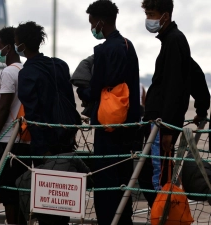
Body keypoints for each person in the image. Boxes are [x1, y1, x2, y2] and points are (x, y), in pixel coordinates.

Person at [77, 1, 141, 224]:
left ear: (100, 22)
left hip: (107, 127)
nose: (92, 27)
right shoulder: (128, 46)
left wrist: (82, 91)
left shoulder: (103, 50)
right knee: (124, 182)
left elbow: (96, 89)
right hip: (128, 126)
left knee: (105, 184)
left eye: (92, 22)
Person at [15, 21, 80, 225]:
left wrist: (42, 151)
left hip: (45, 145)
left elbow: (33, 116)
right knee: (65, 198)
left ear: (22, 45)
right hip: (66, 138)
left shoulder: (26, 74)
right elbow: (69, 101)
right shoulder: (60, 65)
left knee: (47, 200)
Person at [139, 0, 194, 208]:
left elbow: (174, 87)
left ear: (165, 15)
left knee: (156, 180)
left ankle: (163, 217)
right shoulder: (171, 40)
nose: (149, 20)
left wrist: (168, 128)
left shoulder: (174, 40)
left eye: (152, 14)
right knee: (155, 176)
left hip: (162, 127)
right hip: (159, 124)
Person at [0, 26, 32, 225]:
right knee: (20, 190)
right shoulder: (26, 70)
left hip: (7, 140)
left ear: (9, 47)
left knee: (7, 192)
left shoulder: (8, 72)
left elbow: (3, 108)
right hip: (24, 139)